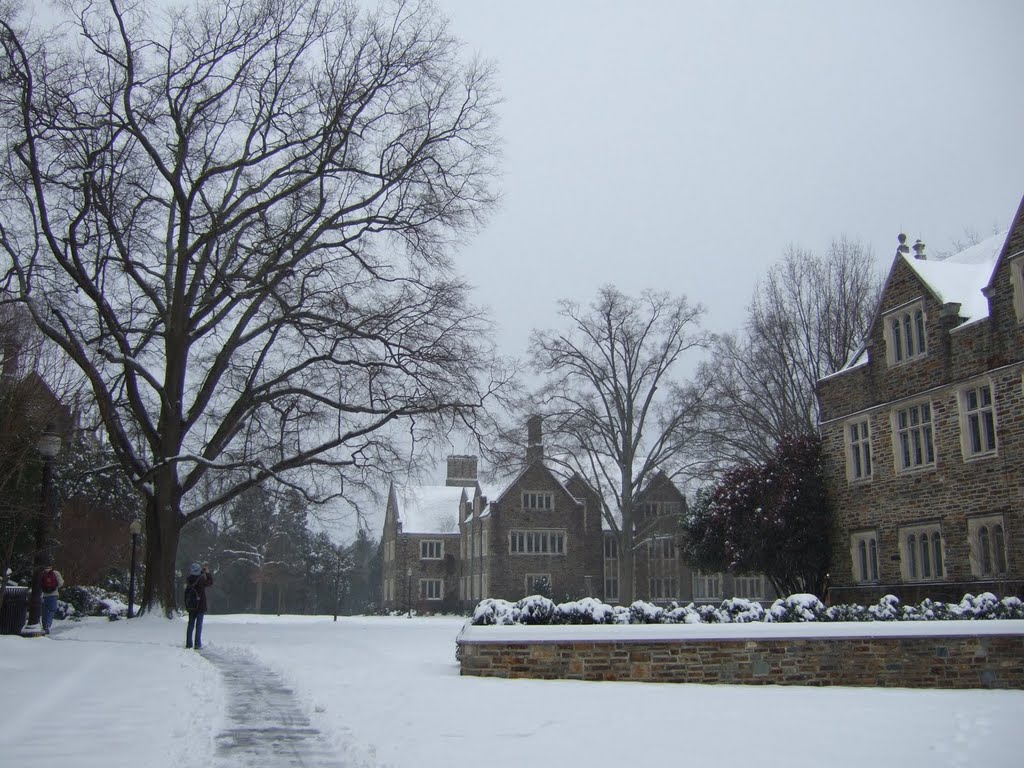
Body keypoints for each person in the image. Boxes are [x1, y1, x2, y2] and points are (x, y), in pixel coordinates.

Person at [185, 562, 213, 650]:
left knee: (190, 625)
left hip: (191, 606)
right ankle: (197, 644)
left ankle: (189, 644)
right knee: (199, 625)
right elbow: (210, 582)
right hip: (200, 606)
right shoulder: (201, 580)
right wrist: (207, 573)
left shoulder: (189, 579)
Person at [40, 565, 63, 635]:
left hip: (44, 595)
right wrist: (55, 588)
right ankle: (48, 624)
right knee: (52, 610)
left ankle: (44, 627)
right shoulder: (56, 573)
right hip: (53, 595)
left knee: (44, 612)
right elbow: (61, 583)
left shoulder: (41, 573)